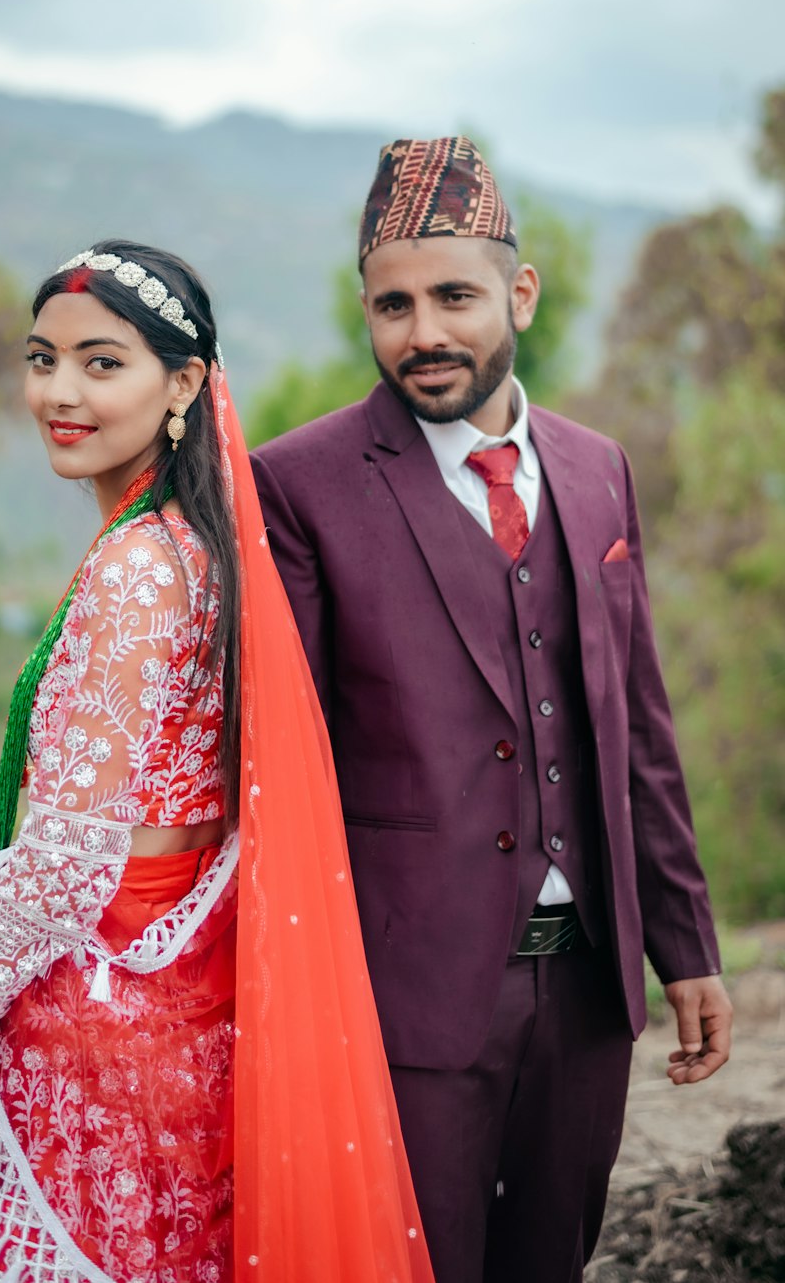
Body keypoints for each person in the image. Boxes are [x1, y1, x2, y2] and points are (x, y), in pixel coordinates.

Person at [0, 241, 434, 1283]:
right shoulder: (195, 547)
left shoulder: (137, 572)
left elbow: (64, 860)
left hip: (90, 1038)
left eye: (102, 364)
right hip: (175, 1022)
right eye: (42, 358)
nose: (59, 392)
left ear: (186, 383)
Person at [250, 137, 734, 1283]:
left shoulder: (596, 468)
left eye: (454, 296)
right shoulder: (299, 483)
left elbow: (640, 734)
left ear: (518, 293)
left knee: (551, 1261)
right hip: (404, 992)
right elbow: (284, 763)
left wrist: (684, 946)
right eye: (393, 304)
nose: (424, 332)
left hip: (585, 988)